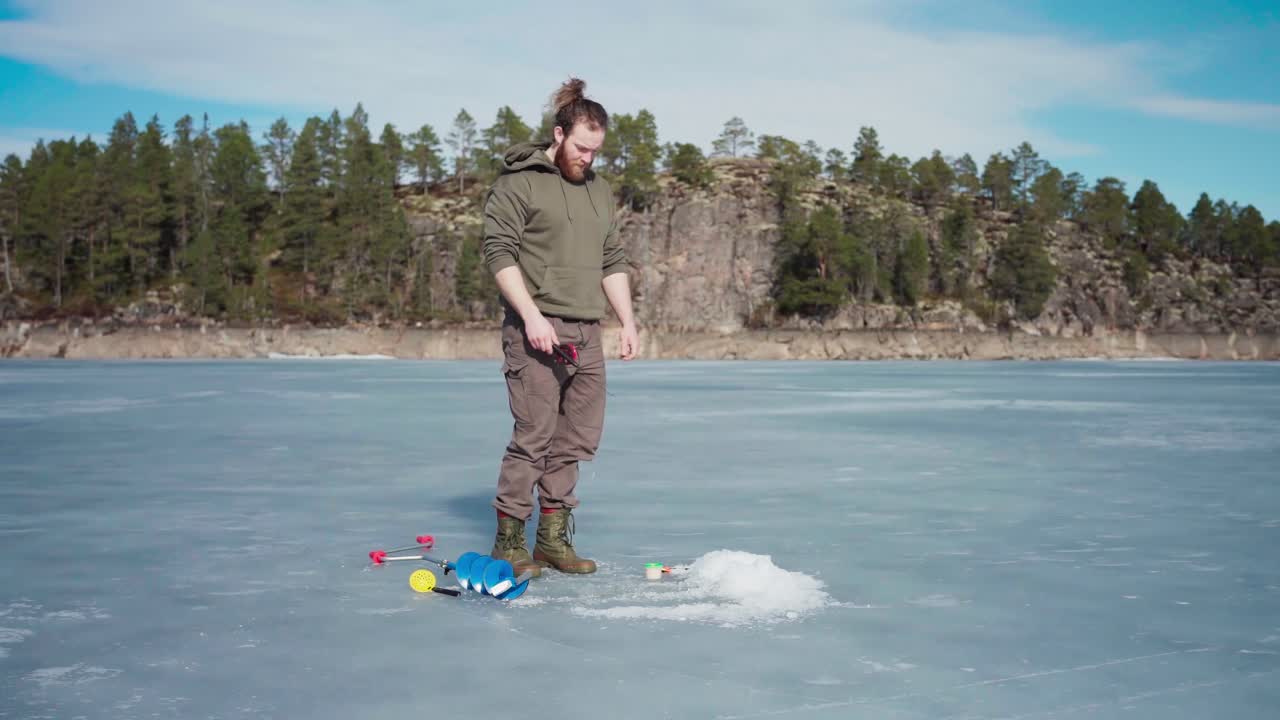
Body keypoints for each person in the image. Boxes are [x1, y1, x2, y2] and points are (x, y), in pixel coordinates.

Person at [481, 78, 638, 578]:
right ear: (558, 133)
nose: (588, 159)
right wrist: (530, 316)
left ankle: (552, 539)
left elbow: (611, 259)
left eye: (596, 151)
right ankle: (509, 542)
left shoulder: (600, 191)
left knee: (575, 440)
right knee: (534, 436)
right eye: (581, 148)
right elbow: (498, 253)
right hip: (535, 331)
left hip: (587, 333)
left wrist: (628, 321)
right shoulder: (519, 182)